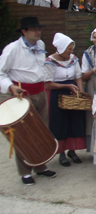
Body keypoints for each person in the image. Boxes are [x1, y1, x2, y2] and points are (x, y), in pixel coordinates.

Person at [0, 17, 57, 185]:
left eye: (38, 29)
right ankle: (25, 172)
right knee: (23, 133)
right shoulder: (12, 49)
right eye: (33, 29)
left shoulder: (40, 45)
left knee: (41, 130)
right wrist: (11, 88)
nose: (37, 32)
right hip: (22, 94)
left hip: (40, 92)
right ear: (24, 32)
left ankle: (41, 166)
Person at [44, 33, 85, 167]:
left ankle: (72, 151)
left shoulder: (73, 59)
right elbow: (48, 83)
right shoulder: (50, 61)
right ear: (61, 49)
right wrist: (66, 86)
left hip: (72, 92)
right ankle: (62, 153)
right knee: (60, 123)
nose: (71, 51)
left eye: (71, 48)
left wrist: (80, 93)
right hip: (58, 93)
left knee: (74, 120)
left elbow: (78, 76)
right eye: (68, 49)